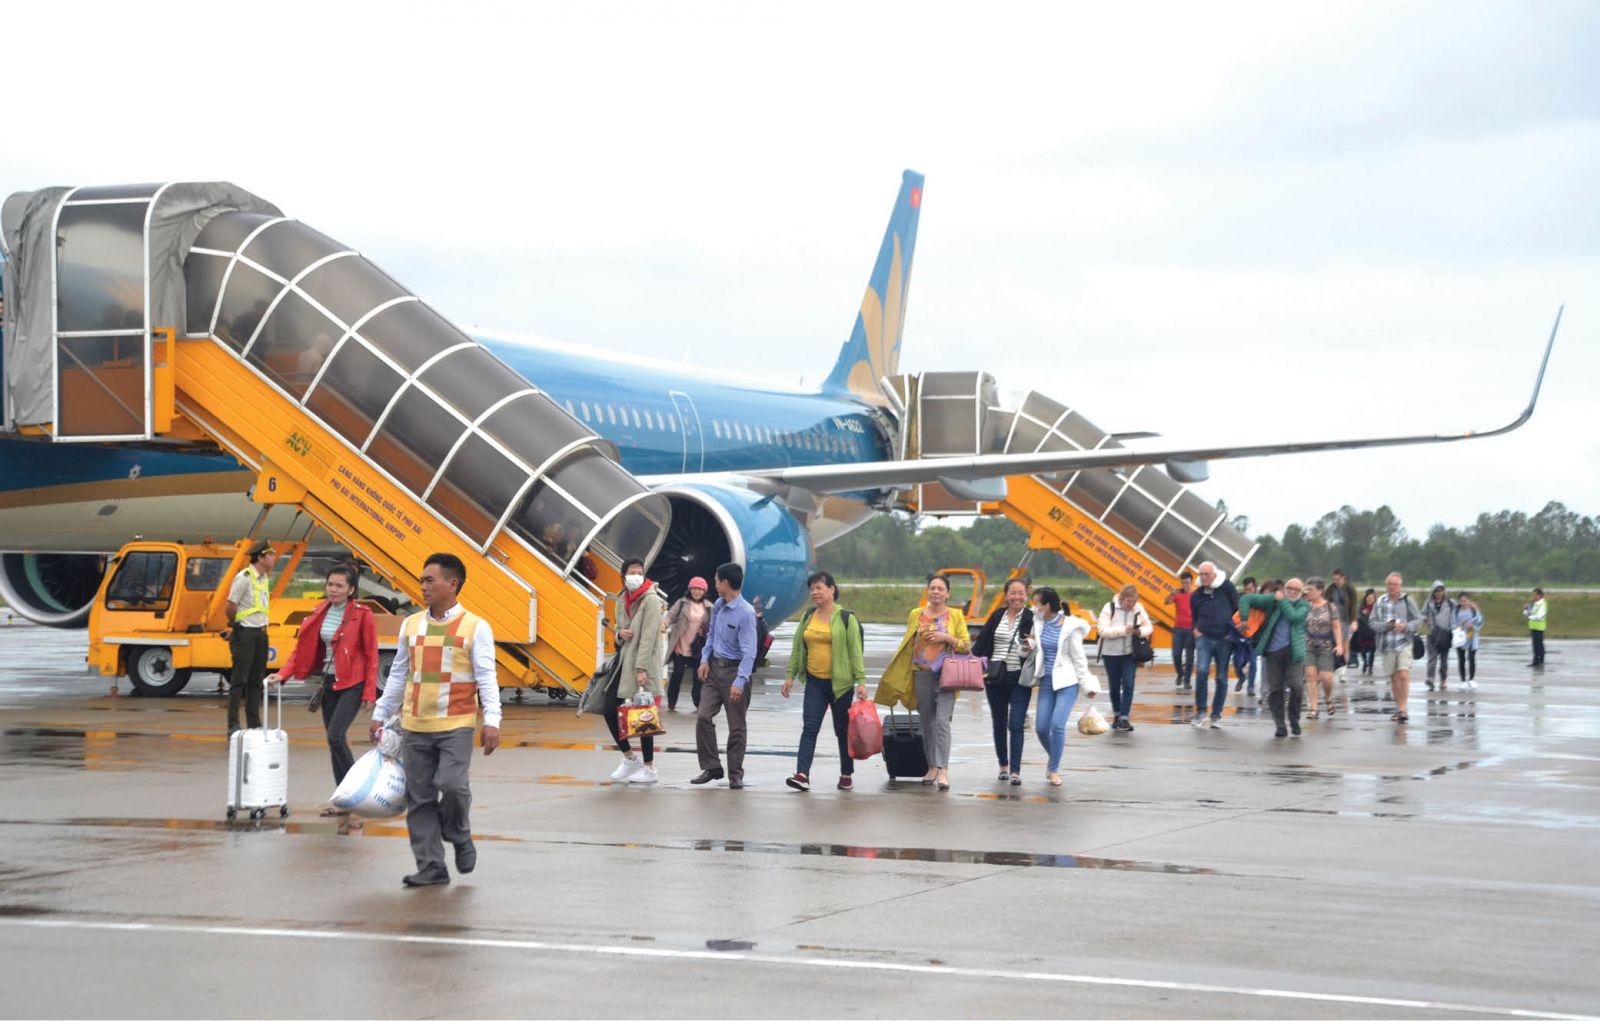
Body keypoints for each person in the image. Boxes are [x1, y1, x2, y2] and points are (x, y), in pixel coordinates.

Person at [369, 553, 501, 888]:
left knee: (453, 785)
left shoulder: (476, 627)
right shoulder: (410, 625)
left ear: (452, 584)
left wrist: (492, 720)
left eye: (430, 580)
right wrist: (380, 713)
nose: (423, 586)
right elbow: (398, 674)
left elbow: (486, 677)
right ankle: (431, 866)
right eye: (422, 580)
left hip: (456, 724)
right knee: (421, 797)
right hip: (415, 726)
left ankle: (459, 834)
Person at [266, 564, 378, 806]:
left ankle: (357, 790)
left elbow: (372, 655)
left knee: (336, 736)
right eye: (330, 584)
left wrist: (369, 692)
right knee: (332, 741)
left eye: (339, 586)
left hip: (353, 684)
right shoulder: (320, 612)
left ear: (350, 590)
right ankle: (343, 798)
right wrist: (282, 674)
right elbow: (301, 650)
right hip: (328, 683)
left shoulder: (362, 614)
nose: (333, 589)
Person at [782, 571, 867, 792]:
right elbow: (797, 648)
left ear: (831, 589)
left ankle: (846, 774)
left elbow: (855, 652)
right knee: (810, 728)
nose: (814, 592)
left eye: (819, 587)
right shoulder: (807, 616)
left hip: (841, 685)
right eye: (811, 589)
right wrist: (790, 675)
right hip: (814, 683)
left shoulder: (846, 618)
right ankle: (802, 774)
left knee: (842, 730)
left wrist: (861, 681)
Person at [694, 562, 758, 789]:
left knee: (736, 726)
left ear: (725, 583)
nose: (714, 584)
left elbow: (750, 651)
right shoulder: (719, 606)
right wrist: (704, 660)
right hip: (714, 669)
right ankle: (712, 766)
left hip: (735, 671)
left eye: (716, 580)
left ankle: (735, 773)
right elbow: (711, 635)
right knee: (703, 716)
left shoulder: (746, 613)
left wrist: (740, 681)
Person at [605, 558, 666, 784]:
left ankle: (649, 768)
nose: (636, 576)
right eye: (632, 572)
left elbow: (649, 637)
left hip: (644, 664)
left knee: (643, 715)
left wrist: (641, 668)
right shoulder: (621, 598)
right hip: (624, 662)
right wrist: (619, 634)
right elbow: (618, 628)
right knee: (609, 709)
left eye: (640, 572)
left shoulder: (652, 600)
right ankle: (630, 757)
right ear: (623, 576)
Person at [1026, 586, 1094, 787]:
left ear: (1047, 606)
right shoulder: (1038, 623)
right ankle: (1054, 756)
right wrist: (1028, 645)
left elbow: (1079, 658)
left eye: (1036, 603)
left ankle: (1053, 769)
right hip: (1046, 681)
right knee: (1041, 728)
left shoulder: (1069, 627)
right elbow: (1034, 648)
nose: (1034, 607)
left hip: (1067, 682)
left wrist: (1087, 685)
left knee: (1057, 725)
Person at [971, 578, 1034, 783]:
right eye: (1012, 593)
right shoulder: (997, 615)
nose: (1017, 597)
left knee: (1016, 724)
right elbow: (981, 643)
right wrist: (967, 659)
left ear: (1026, 595)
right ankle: (1003, 766)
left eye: (1020, 593)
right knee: (999, 722)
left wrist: (1032, 645)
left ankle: (1016, 771)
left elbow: (1040, 644)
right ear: (1006, 595)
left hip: (1020, 677)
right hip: (995, 675)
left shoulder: (1032, 617)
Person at [1239, 578, 1310, 737]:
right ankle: (1280, 724)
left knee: (1297, 686)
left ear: (1301, 592)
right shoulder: (1273, 600)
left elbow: (1294, 617)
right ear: (1284, 588)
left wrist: (1282, 600)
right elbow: (1246, 599)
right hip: (1273, 651)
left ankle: (1294, 719)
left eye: (1296, 589)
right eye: (1289, 588)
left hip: (1294, 652)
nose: (1292, 591)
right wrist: (1244, 618)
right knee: (1275, 688)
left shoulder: (1304, 605)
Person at [223, 541, 278, 735]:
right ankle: (233, 725)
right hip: (245, 633)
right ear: (261, 557)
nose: (274, 558)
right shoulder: (244, 578)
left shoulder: (263, 579)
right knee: (239, 681)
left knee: (256, 681)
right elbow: (230, 606)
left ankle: (254, 724)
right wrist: (236, 626)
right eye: (270, 555)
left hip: (261, 633)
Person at [1188, 561, 1239, 728]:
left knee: (1221, 677)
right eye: (1201, 574)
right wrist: (1195, 629)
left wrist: (1232, 631)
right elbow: (1194, 615)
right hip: (1204, 637)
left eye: (1207, 574)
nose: (1204, 577)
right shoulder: (1197, 595)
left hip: (1224, 639)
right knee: (1202, 671)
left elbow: (1237, 608)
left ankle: (1216, 714)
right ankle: (1200, 711)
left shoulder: (1226, 587)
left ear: (1214, 575)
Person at [1097, 584, 1152, 732]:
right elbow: (1102, 630)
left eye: (1134, 601)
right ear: (1121, 599)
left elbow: (1149, 627)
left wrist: (1139, 631)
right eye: (1129, 601)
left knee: (1129, 684)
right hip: (1111, 653)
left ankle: (1124, 717)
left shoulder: (1138, 608)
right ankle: (1117, 714)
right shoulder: (1109, 608)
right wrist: (1124, 630)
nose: (1131, 605)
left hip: (1130, 653)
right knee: (1114, 686)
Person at [1370, 572, 1422, 724]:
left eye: (1395, 584)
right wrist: (1385, 626)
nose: (1392, 587)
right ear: (1386, 585)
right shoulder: (1380, 601)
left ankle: (1403, 709)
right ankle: (1399, 709)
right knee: (1394, 678)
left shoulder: (1407, 600)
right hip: (1387, 644)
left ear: (1400, 586)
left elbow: (1419, 620)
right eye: (1389, 584)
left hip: (1404, 642)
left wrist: (1405, 626)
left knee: (1403, 674)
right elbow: (1372, 622)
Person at [663, 576, 712, 711]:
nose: (697, 592)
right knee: (677, 674)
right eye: (694, 588)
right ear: (690, 589)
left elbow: (715, 624)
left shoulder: (709, 607)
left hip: (698, 648)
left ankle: (698, 703)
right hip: (681, 645)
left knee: (698, 678)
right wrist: (664, 624)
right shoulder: (681, 603)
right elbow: (670, 616)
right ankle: (672, 702)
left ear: (704, 591)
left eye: (700, 589)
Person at [1302, 577, 1345, 718]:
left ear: (1320, 591)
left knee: (1326, 677)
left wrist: (1339, 645)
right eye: (1307, 589)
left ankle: (1328, 698)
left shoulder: (1330, 607)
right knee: (1310, 676)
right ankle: (1314, 708)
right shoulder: (1305, 606)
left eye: (1311, 589)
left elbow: (1336, 627)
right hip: (1308, 644)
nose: (1308, 592)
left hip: (1325, 645)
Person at [1163, 570, 1195, 691]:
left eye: (1187, 583)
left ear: (1191, 583)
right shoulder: (1177, 594)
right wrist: (1170, 594)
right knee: (1176, 654)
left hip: (1191, 629)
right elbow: (1166, 602)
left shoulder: (1195, 595)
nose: (1185, 585)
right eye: (1183, 583)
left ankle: (1187, 680)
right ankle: (1180, 673)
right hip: (1178, 629)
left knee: (1190, 657)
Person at [1423, 581, 1457, 691]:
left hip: (1446, 634)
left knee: (1444, 660)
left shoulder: (1451, 603)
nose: (1438, 593)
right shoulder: (1428, 603)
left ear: (1444, 591)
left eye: (1440, 591)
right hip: (1432, 634)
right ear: (1433, 592)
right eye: (1436, 591)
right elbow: (1422, 614)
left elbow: (1460, 610)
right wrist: (1426, 620)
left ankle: (1443, 679)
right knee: (1431, 658)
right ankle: (1430, 679)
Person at [1327, 569, 1358, 686]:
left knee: (1345, 645)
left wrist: (1354, 620)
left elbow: (1354, 605)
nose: (1335, 581)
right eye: (1334, 579)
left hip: (1345, 620)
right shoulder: (1330, 589)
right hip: (1332, 620)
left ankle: (1343, 671)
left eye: (1337, 579)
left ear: (1343, 578)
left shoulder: (1350, 589)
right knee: (1332, 645)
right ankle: (1333, 667)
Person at [1233, 576, 1261, 697]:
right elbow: (1234, 616)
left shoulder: (1260, 601)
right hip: (1241, 636)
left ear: (1255, 588)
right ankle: (1241, 677)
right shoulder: (1241, 599)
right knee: (1237, 662)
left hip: (1254, 637)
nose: (1248, 592)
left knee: (1253, 662)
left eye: (1250, 589)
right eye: (1246, 589)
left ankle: (1251, 687)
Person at [1454, 592, 1483, 690]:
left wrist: (1473, 625)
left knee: (1471, 658)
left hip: (1472, 637)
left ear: (1469, 601)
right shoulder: (1456, 611)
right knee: (1461, 659)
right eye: (1461, 601)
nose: (1463, 603)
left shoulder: (1474, 610)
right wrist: (1458, 626)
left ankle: (1471, 679)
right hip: (1460, 638)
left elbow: (1480, 620)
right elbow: (1452, 622)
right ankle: (1462, 680)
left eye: (1465, 601)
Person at [1353, 589, 1378, 676]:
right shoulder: (1362, 606)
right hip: (1363, 631)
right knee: (1363, 650)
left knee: (1372, 650)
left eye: (1372, 598)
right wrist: (1362, 615)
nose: (1370, 599)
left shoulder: (1377, 607)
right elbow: (1357, 616)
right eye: (1368, 597)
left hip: (1373, 631)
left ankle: (1370, 666)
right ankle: (1365, 662)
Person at [1523, 588, 1547, 668]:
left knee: (1539, 645)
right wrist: (1526, 609)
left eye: (1535, 595)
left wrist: (1530, 616)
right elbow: (1529, 613)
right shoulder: (1535, 604)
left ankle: (1540, 661)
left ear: (1540, 595)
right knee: (1535, 645)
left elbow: (1539, 616)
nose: (1533, 596)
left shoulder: (1542, 604)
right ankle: (1536, 661)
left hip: (1539, 628)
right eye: (1533, 595)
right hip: (1534, 627)